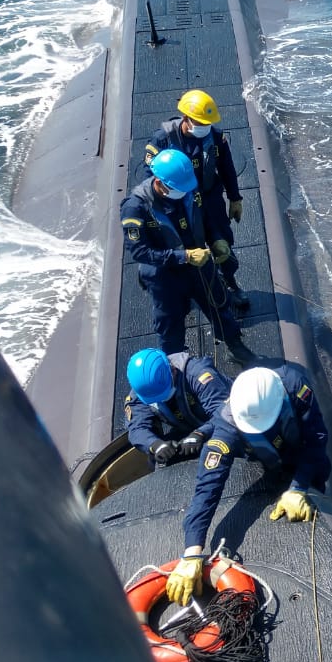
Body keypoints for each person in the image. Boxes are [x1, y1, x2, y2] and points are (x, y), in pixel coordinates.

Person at [165, 363, 330, 606]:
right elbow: (207, 489)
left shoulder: (294, 385)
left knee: (319, 475)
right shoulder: (228, 426)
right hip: (267, 459)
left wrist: (298, 487)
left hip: (303, 455)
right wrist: (192, 551)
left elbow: (316, 438)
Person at [120, 147, 251, 361]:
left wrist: (216, 239)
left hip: (199, 262)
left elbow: (204, 218)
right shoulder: (136, 208)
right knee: (169, 323)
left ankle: (235, 345)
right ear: (159, 183)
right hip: (165, 274)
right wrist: (184, 257)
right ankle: (177, 366)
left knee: (219, 304)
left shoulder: (187, 188)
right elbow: (139, 251)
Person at [143, 89, 249, 311]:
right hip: (181, 203)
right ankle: (194, 290)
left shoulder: (216, 137)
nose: (204, 127)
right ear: (186, 119)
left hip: (210, 201)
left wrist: (235, 198)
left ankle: (230, 283)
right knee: (189, 248)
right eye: (200, 122)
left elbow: (227, 168)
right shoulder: (163, 140)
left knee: (223, 245)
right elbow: (153, 176)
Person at [124, 348, 231, 466]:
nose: (161, 400)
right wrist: (155, 445)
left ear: (173, 370)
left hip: (226, 422)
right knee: (157, 459)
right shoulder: (144, 390)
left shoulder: (198, 374)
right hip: (187, 428)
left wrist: (201, 433)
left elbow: (225, 412)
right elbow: (137, 429)